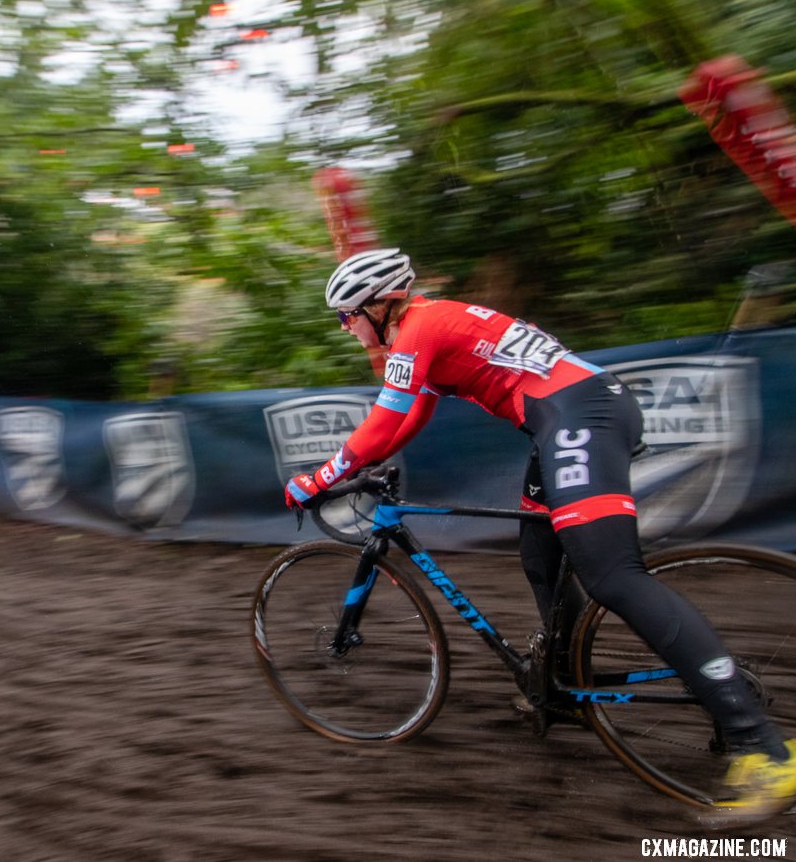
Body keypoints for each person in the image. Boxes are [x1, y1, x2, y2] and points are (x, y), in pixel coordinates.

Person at [283, 247, 796, 824]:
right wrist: (356, 465)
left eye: (346, 315)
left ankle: (762, 746)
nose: (346, 327)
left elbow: (383, 419)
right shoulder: (432, 325)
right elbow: (409, 418)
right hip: (572, 416)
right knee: (540, 550)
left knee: (612, 575)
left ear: (378, 305)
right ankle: (566, 687)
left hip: (579, 418)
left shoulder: (419, 328)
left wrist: (319, 477)